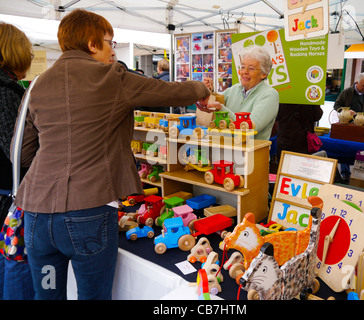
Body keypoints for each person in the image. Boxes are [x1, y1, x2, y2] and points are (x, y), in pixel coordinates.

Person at [12, 9, 212, 300]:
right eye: (110, 42)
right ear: (92, 44)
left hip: (37, 216)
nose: (112, 50)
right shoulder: (112, 77)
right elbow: (171, 92)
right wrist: (202, 88)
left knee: (47, 294)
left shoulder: (38, 84)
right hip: (88, 212)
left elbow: (24, 151)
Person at [0, 22, 35, 300]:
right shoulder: (6, 93)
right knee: (14, 265)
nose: (31, 58)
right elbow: (18, 152)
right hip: (7, 199)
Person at [198, 45, 279, 141]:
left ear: (264, 73)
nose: (244, 71)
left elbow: (248, 127)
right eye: (243, 67)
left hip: (252, 153)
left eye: (251, 68)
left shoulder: (270, 95)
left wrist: (221, 108)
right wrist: (208, 92)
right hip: (226, 151)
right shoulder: (234, 89)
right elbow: (217, 101)